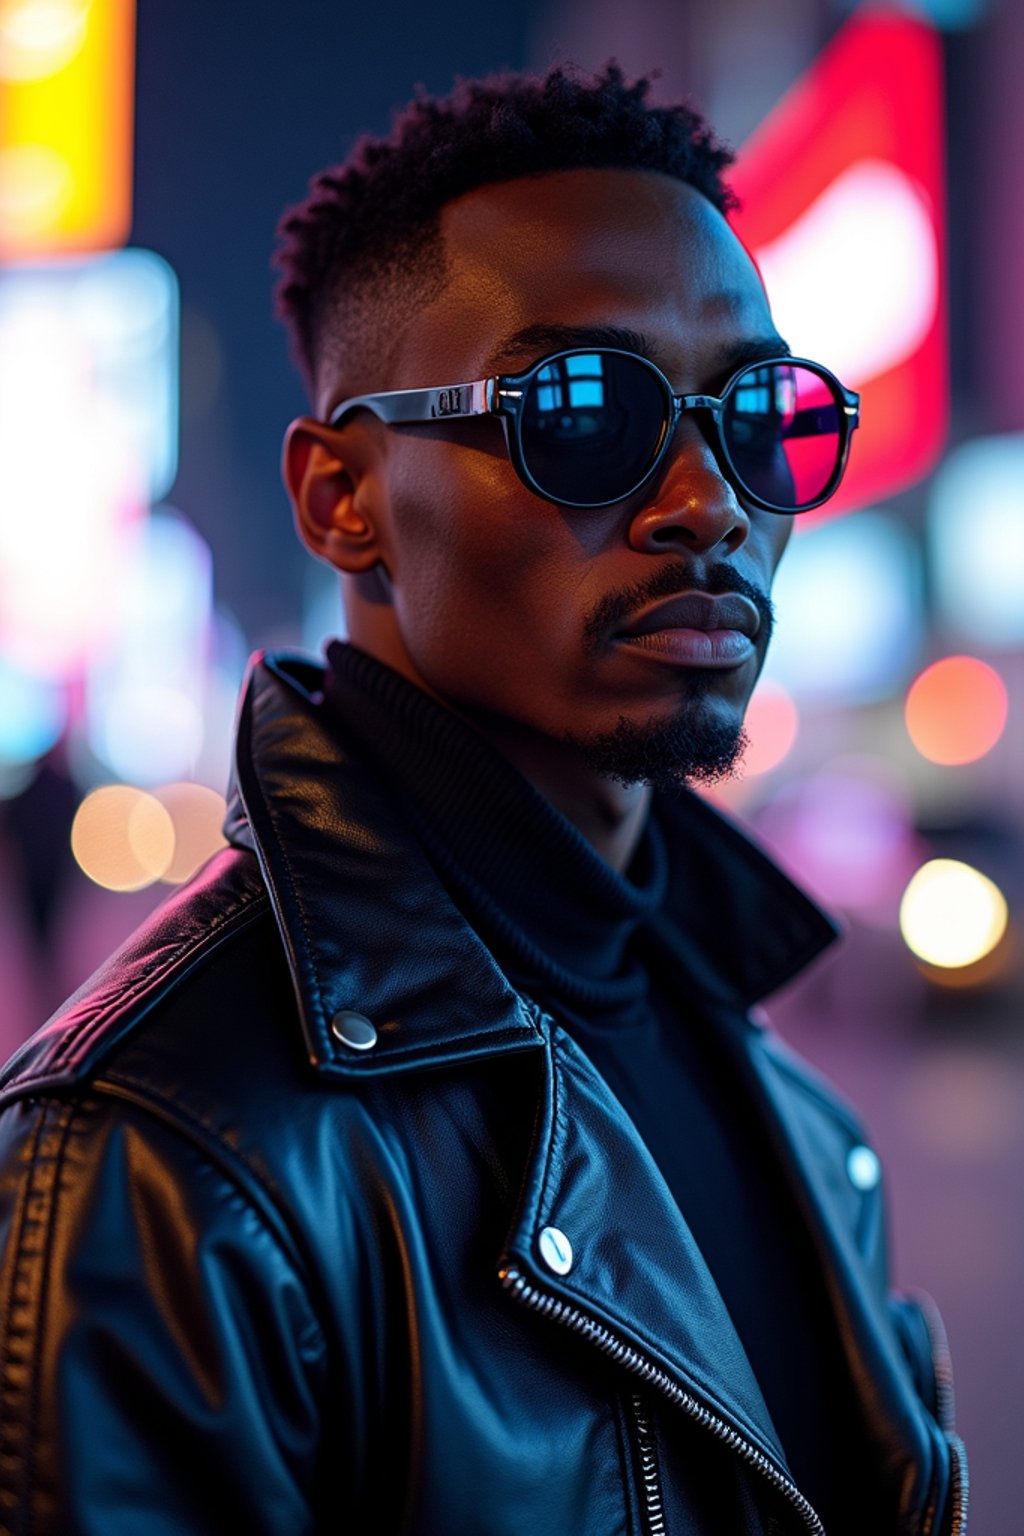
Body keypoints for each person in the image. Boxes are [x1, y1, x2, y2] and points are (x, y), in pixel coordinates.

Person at [0, 63, 966, 1536]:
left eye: (757, 412)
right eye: (583, 409)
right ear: (343, 499)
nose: (708, 499)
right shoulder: (161, 1150)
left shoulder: (783, 1090)